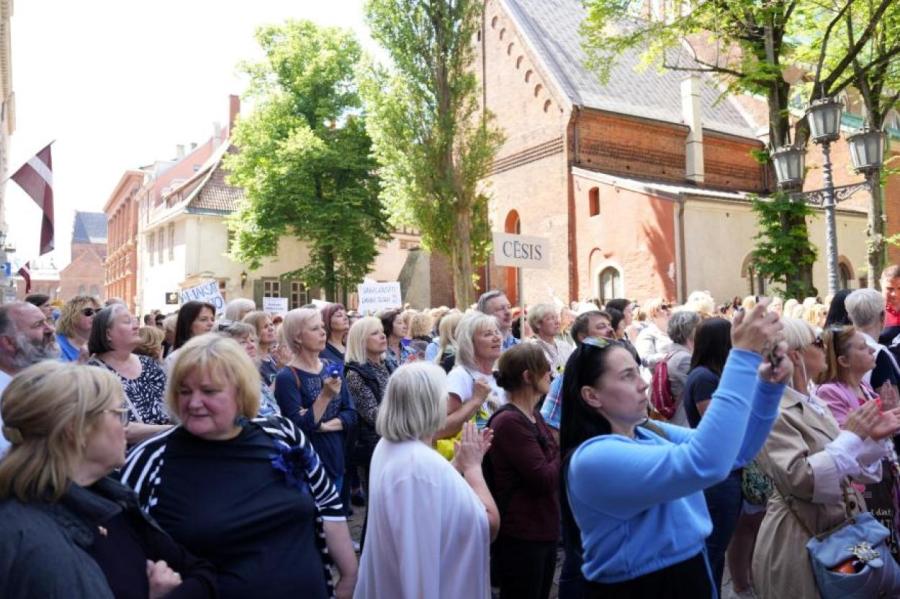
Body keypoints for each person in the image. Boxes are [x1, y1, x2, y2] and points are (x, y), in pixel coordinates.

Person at [560, 300, 788, 597]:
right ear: (591, 396)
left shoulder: (647, 431)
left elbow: (734, 453)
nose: (642, 384)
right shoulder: (593, 458)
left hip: (688, 574)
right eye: (626, 376)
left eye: (635, 371)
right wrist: (742, 357)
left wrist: (767, 389)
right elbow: (706, 461)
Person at [120, 333, 357, 598]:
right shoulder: (150, 460)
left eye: (209, 391)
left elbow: (327, 504)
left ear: (240, 391)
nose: (194, 402)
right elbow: (123, 548)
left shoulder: (282, 435)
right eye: (184, 391)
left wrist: (348, 575)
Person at [0, 361, 216, 599]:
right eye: (119, 415)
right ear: (77, 429)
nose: (125, 428)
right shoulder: (31, 542)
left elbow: (202, 574)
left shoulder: (111, 500)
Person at [752, 318, 900, 599]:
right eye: (817, 342)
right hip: (800, 539)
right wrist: (854, 437)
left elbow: (847, 469)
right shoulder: (773, 410)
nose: (825, 347)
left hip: (835, 529)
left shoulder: (813, 402)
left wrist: (872, 438)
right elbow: (802, 479)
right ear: (796, 355)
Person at [354, 362, 499, 598]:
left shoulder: (389, 445)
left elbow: (428, 495)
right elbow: (488, 524)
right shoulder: (419, 463)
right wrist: (473, 469)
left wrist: (456, 465)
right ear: (428, 405)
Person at [486, 344, 560, 599]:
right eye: (546, 370)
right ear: (528, 376)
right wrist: (562, 450)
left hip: (542, 528)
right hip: (522, 535)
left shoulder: (532, 415)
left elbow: (549, 460)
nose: (551, 375)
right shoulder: (509, 422)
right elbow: (544, 478)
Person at [681, 317, 738, 592]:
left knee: (716, 551)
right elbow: (717, 424)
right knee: (712, 551)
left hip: (723, 472)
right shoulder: (704, 377)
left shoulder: (710, 374)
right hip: (717, 479)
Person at [274, 308, 356, 493]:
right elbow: (301, 426)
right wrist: (325, 396)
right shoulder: (287, 377)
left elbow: (351, 414)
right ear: (298, 337)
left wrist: (324, 426)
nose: (322, 332)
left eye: (322, 326)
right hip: (310, 467)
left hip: (337, 458)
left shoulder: (330, 367)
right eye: (314, 329)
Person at [87, 304, 171, 445]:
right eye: (127, 322)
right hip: (124, 460)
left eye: (135, 320)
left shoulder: (149, 364)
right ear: (108, 334)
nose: (136, 326)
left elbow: (172, 407)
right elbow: (120, 429)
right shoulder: (93, 374)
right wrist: (173, 430)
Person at [540, 310, 614, 438]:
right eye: (601, 327)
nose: (610, 330)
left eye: (609, 325)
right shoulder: (567, 380)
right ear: (583, 338)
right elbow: (551, 427)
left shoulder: (620, 373)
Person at [0, 301, 58, 454]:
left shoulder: (49, 381)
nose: (50, 329)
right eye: (38, 324)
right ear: (9, 342)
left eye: (48, 321)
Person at [344, 316, 391, 494]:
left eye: (381, 331)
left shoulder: (387, 365)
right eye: (374, 333)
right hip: (375, 447)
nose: (382, 336)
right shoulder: (355, 374)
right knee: (378, 505)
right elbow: (373, 415)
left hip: (394, 439)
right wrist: (404, 410)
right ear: (360, 341)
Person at [442, 312, 506, 437]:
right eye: (488, 334)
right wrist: (476, 401)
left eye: (497, 332)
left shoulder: (499, 375)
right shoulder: (460, 376)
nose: (497, 338)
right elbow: (439, 430)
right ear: (469, 343)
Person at [846, 288, 900, 402]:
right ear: (882, 316)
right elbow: (892, 406)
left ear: (850, 317)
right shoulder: (878, 354)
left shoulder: (842, 348)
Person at [220, 321, 280, 417]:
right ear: (227, 349)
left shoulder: (253, 376)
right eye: (243, 342)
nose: (251, 346)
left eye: (252, 340)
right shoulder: (230, 382)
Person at [660, 310, 700, 427]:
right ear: (692, 330)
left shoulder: (676, 353)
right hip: (684, 420)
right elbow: (697, 387)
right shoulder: (684, 359)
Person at [164, 301, 216, 371]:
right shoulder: (175, 358)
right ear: (188, 324)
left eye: (212, 319)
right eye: (203, 319)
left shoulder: (220, 354)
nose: (211, 323)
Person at [528, 303, 574, 378]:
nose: (557, 322)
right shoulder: (534, 350)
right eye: (551, 318)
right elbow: (554, 371)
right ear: (537, 324)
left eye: (556, 318)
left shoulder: (565, 346)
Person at [55, 295, 100, 362]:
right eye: (88, 312)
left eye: (98, 311)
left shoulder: (101, 343)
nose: (95, 315)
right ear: (72, 316)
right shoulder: (56, 344)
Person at [633, 297, 673, 372]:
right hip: (658, 379)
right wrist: (666, 356)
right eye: (664, 307)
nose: (668, 310)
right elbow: (644, 360)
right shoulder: (646, 333)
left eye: (669, 306)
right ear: (653, 313)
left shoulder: (674, 331)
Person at [243, 310, 279, 386]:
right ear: (254, 331)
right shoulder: (252, 363)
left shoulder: (273, 358)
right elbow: (264, 396)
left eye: (271, 324)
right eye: (265, 327)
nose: (271, 329)